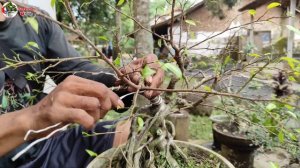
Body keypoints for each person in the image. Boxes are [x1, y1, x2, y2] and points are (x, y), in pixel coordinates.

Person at [0, 1, 164, 167]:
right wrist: (35, 116)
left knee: (131, 135)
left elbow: (74, 69)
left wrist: (124, 78)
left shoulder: (34, 19)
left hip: (43, 145)